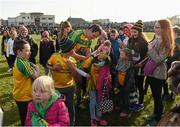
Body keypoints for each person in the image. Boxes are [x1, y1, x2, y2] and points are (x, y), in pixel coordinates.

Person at [145, 19, 174, 126]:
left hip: (158, 74)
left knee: (158, 97)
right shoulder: (158, 38)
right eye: (155, 26)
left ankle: (158, 119)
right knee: (155, 96)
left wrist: (150, 49)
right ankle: (155, 114)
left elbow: (159, 60)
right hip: (153, 72)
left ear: (164, 29)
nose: (154, 29)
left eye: (157, 27)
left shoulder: (166, 42)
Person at [47, 38, 82, 125]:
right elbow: (48, 65)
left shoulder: (72, 60)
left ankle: (71, 123)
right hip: (57, 88)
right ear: (67, 49)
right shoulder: (55, 56)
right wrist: (54, 68)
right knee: (57, 107)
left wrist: (72, 69)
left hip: (69, 88)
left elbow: (77, 79)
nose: (74, 50)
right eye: (73, 48)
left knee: (70, 107)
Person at [68, 24, 102, 106]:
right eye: (93, 36)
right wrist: (83, 58)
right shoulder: (76, 34)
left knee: (79, 82)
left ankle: (78, 102)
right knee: (69, 83)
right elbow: (68, 51)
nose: (93, 38)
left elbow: (87, 54)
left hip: (79, 63)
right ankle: (67, 102)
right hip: (68, 62)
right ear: (90, 30)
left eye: (95, 37)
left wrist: (94, 56)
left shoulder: (89, 40)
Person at [12, 39, 40, 126]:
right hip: (25, 97)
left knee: (24, 117)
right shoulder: (23, 63)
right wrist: (37, 69)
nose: (30, 52)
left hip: (19, 94)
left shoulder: (19, 60)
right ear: (19, 52)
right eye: (27, 50)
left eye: (30, 50)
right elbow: (36, 78)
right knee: (27, 119)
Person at [128, 20, 148, 111]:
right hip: (132, 66)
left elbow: (147, 56)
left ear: (139, 32)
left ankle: (141, 102)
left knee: (140, 85)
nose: (133, 33)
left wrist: (140, 64)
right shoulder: (130, 40)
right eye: (132, 31)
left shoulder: (143, 42)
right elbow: (129, 52)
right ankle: (134, 101)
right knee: (134, 84)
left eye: (135, 32)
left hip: (140, 67)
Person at [115, 48, 135, 118]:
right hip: (121, 83)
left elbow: (131, 78)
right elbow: (117, 71)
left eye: (122, 54)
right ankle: (122, 107)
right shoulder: (120, 61)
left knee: (126, 98)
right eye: (120, 54)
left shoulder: (130, 65)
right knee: (121, 96)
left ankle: (127, 111)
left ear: (127, 56)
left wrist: (128, 87)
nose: (120, 55)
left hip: (126, 85)